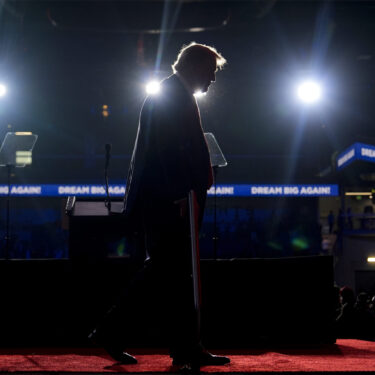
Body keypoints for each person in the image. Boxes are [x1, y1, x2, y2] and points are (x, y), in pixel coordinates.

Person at [89, 42, 230, 369]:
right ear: (195, 67)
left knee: (173, 275)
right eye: (210, 73)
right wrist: (180, 193)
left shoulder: (174, 93)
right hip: (170, 201)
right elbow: (166, 151)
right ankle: (118, 333)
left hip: (171, 199)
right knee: (170, 272)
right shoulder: (171, 95)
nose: (211, 81)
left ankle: (183, 348)